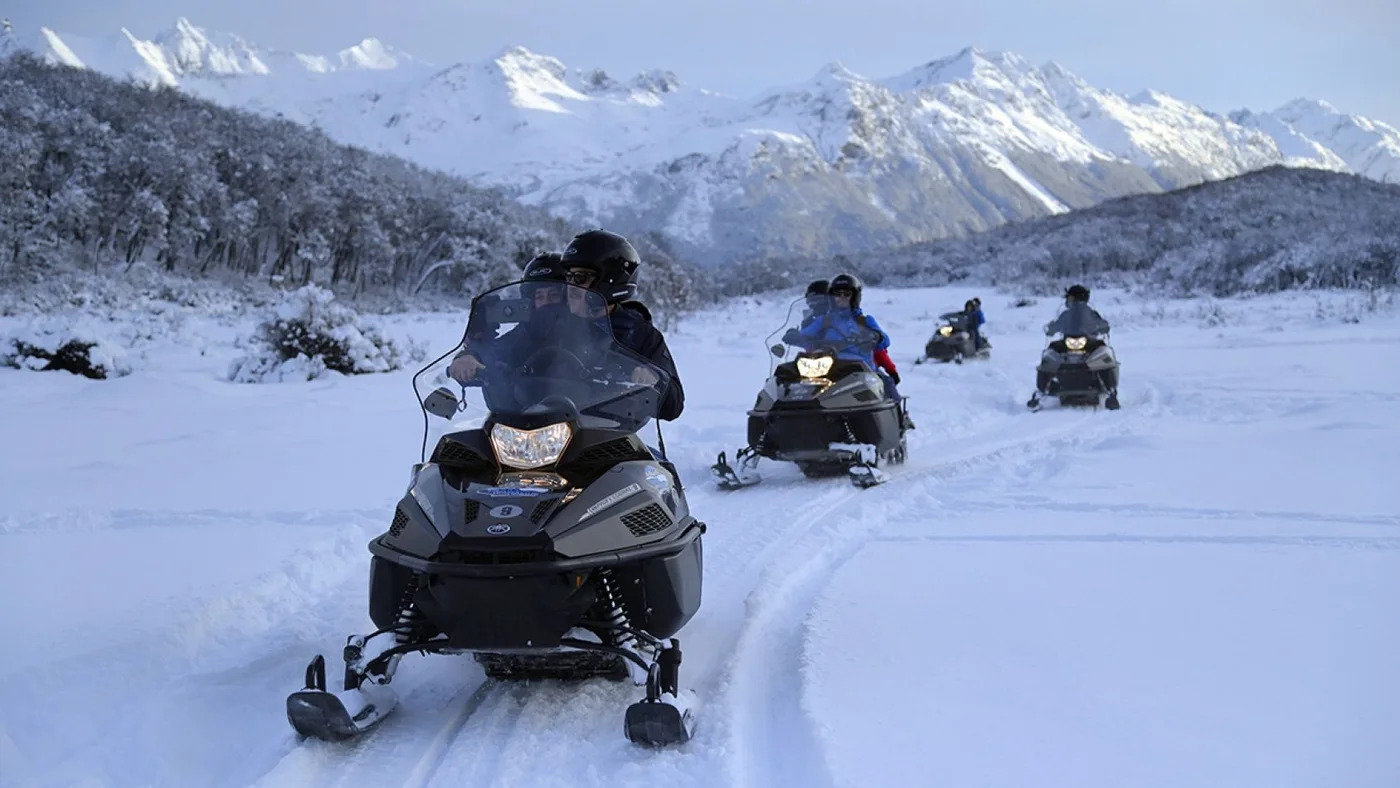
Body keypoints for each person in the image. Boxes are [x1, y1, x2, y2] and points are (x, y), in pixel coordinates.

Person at [450, 230, 685, 425]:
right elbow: (504, 349)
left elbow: (674, 404)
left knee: (656, 476)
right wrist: (470, 356)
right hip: (544, 431)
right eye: (569, 278)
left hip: (610, 438)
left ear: (610, 282)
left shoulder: (641, 334)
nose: (571, 287)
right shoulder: (550, 322)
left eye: (580, 279)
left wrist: (655, 379)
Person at [797, 273, 913, 429]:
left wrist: (876, 337)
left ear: (855, 296)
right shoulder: (825, 320)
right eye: (838, 294)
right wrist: (795, 336)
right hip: (831, 367)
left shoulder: (865, 321)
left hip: (862, 369)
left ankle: (898, 421)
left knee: (886, 383)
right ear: (832, 298)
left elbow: (884, 341)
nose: (842, 297)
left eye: (847, 294)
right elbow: (807, 334)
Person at [1044, 284, 1110, 337]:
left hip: (1089, 343)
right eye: (1068, 298)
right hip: (1068, 343)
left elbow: (1101, 323)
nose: (1067, 300)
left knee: (1102, 350)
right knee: (1052, 350)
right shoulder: (1065, 315)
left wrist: (1103, 327)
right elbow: (1057, 324)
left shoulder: (1091, 314)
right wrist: (1051, 328)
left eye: (1070, 298)